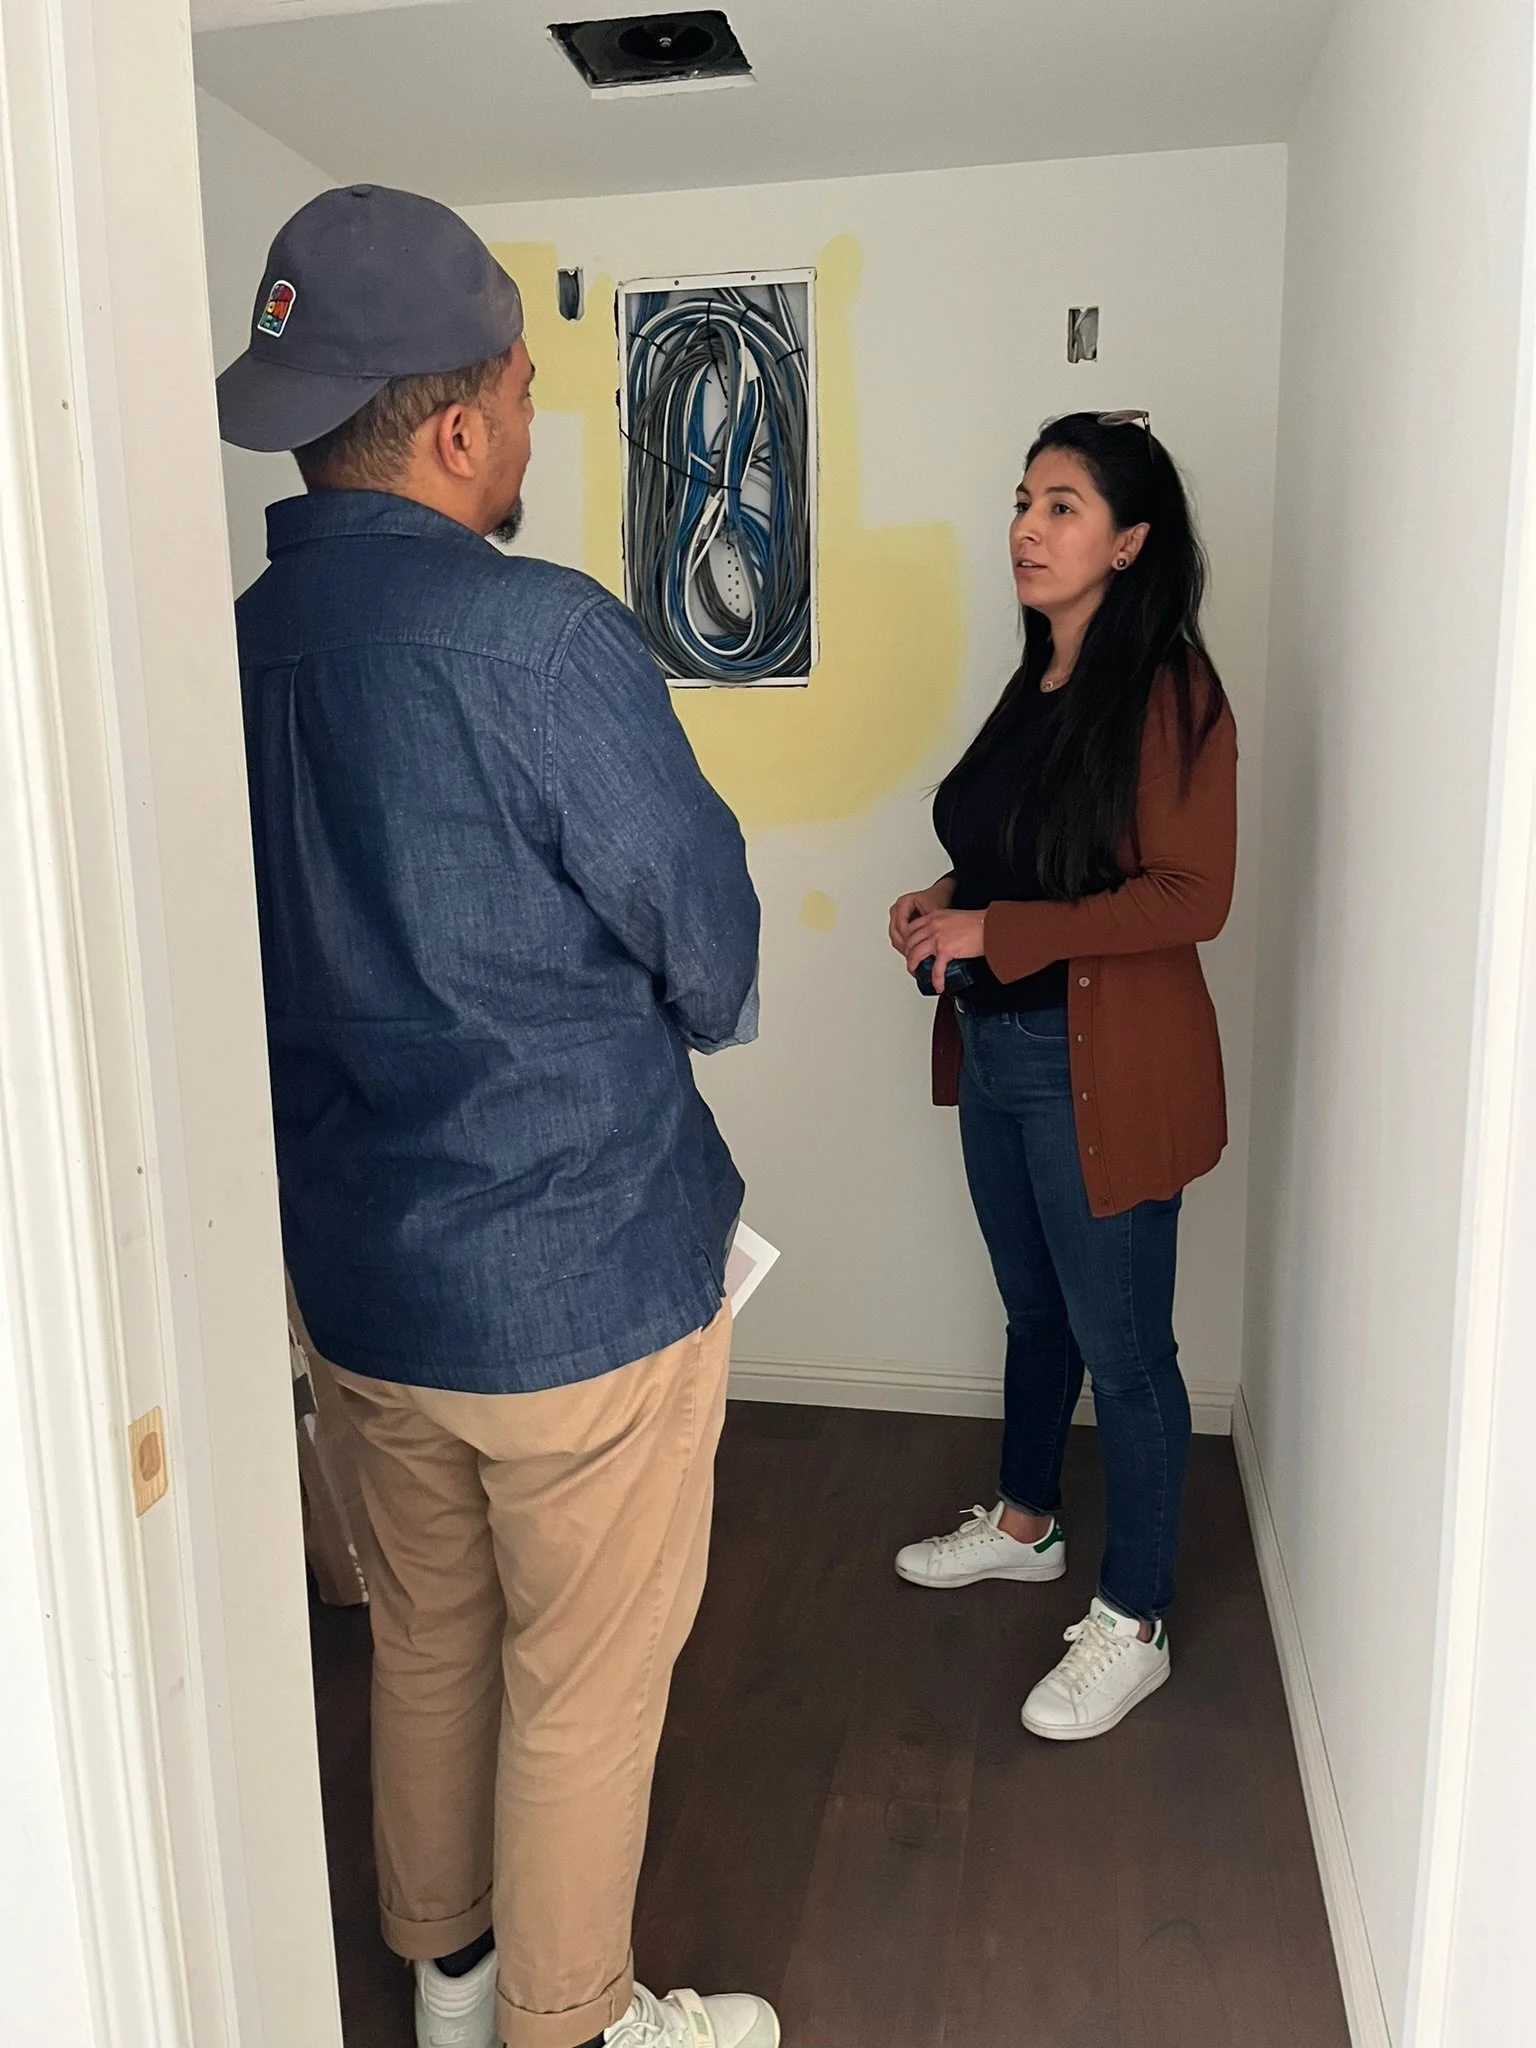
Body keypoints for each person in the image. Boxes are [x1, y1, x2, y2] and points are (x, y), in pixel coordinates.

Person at [217, 185, 777, 2048]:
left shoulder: (220, 657)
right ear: (457, 431)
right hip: (579, 1287)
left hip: (360, 1288)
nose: (536, 422)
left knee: (431, 1639)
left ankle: (446, 1984)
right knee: (583, 1686)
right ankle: (571, 2023)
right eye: (529, 391)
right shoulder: (544, 642)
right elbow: (709, 947)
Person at [888, 411, 1237, 1741]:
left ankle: (1134, 1620)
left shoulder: (1170, 691)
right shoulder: (1039, 677)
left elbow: (1192, 895)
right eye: (1023, 502)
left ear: (1130, 542)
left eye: (1063, 506)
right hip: (996, 1050)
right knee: (1035, 1310)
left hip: (1100, 1069)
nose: (1027, 529)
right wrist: (946, 902)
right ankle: (1027, 1525)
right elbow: (1023, 853)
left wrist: (999, 930)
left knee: (1127, 1353)